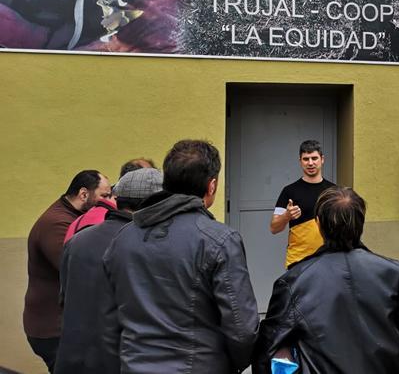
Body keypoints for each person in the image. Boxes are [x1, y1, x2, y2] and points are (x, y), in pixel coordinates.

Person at [102, 140, 259, 373]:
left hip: (135, 365)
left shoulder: (122, 238)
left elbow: (108, 316)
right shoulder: (219, 240)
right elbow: (242, 328)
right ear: (212, 186)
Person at [253, 187, 399, 374]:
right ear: (361, 222)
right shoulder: (394, 273)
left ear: (318, 224)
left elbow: (268, 347)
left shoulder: (294, 281)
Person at [56, 168, 163, 374]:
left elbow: (64, 299)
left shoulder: (78, 239)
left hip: (72, 361)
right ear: (154, 206)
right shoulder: (144, 244)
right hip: (116, 363)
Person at [23, 170, 111, 372]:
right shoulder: (57, 224)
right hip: (53, 329)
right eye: (104, 196)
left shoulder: (71, 216)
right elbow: (78, 269)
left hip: (58, 325)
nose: (110, 201)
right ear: (83, 194)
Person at [270, 140, 336, 268]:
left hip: (328, 259)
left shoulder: (334, 191)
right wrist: (287, 216)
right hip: (298, 261)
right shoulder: (289, 191)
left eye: (314, 158)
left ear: (322, 159)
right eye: (306, 159)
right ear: (300, 161)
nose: (310, 163)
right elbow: (274, 228)